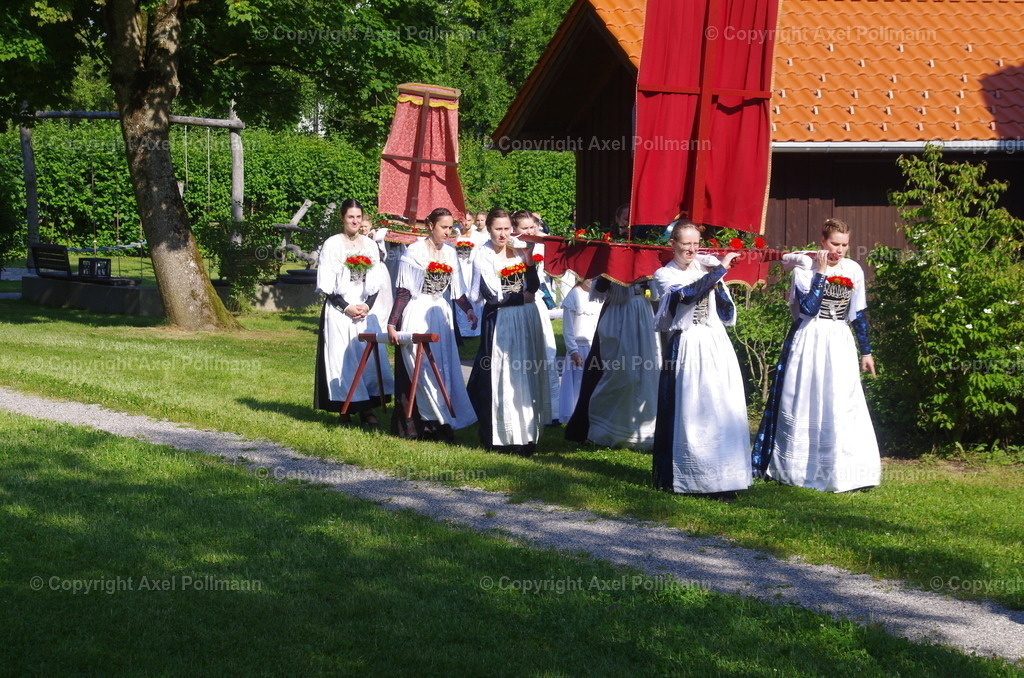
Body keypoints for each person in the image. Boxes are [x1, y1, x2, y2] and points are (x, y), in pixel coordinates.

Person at [752, 217, 880, 493]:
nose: (840, 249)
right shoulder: (804, 268)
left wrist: (866, 352)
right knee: (805, 398)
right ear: (823, 241)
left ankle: (846, 472)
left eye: (845, 245)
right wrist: (820, 271)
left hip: (839, 340)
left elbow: (857, 314)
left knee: (841, 399)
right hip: (811, 337)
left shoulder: (853, 269)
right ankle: (798, 469)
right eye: (835, 243)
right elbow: (808, 308)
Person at [652, 221, 751, 495]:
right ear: (673, 244)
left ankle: (724, 477)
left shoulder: (706, 269)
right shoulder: (664, 274)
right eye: (686, 243)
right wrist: (718, 270)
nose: (692, 249)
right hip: (687, 344)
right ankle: (690, 475)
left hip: (714, 342)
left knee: (721, 407)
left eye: (696, 244)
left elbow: (726, 312)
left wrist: (717, 280)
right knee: (693, 409)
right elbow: (686, 297)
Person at [386, 208, 478, 440]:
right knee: (419, 367)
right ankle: (415, 425)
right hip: (418, 312)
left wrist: (469, 312)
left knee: (443, 367)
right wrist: (392, 323)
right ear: (430, 226)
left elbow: (457, 292)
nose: (449, 232)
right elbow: (403, 291)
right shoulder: (414, 252)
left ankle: (440, 423)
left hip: (440, 315)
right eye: (444, 227)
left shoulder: (450, 253)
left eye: (451, 227)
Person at [466, 208, 551, 456]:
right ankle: (501, 435)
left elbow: (533, 287)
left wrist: (527, 259)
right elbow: (491, 296)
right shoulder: (482, 255)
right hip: (501, 321)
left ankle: (525, 435)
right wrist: (519, 298)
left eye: (506, 229)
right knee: (501, 375)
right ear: (489, 229)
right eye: (497, 229)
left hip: (526, 319)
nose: (502, 234)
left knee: (525, 375)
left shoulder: (519, 249)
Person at [314, 199, 394, 424]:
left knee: (366, 358)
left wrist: (367, 305)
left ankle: (367, 409)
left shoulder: (369, 246)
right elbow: (327, 284)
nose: (355, 221)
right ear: (342, 218)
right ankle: (345, 408)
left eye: (358, 217)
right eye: (351, 217)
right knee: (343, 359)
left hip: (364, 311)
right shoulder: (332, 244)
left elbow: (376, 282)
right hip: (340, 312)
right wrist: (346, 307)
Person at [565, 271, 661, 450]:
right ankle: (606, 428)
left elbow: (655, 294)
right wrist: (609, 275)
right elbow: (598, 292)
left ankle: (641, 428)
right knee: (617, 372)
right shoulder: (611, 264)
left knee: (646, 372)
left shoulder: (647, 264)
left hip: (641, 313)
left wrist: (647, 279)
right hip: (616, 313)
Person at [512, 210, 560, 425]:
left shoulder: (541, 244)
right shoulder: (512, 247)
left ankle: (552, 409)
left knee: (547, 351)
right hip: (517, 301)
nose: (530, 231)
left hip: (536, 300)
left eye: (532, 227)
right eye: (524, 228)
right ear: (515, 230)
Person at [558, 276, 603, 424]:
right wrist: (573, 351)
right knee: (578, 383)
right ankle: (574, 414)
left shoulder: (599, 295)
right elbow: (568, 328)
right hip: (579, 347)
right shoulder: (574, 295)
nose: (591, 280)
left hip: (596, 345)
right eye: (588, 276)